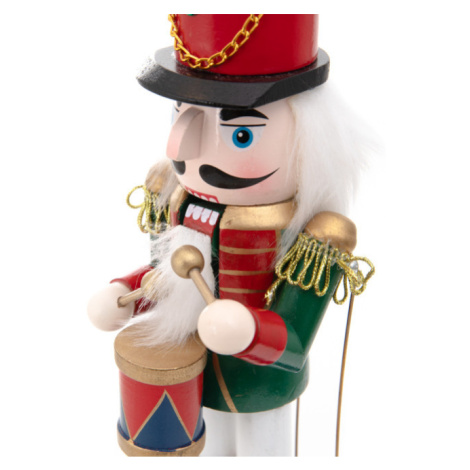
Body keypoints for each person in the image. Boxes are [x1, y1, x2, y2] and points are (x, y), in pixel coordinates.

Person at [88, 14, 373, 457]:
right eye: (180, 113)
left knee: (264, 450)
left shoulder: (316, 237)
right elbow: (171, 282)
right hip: (194, 374)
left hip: (260, 384)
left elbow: (296, 340)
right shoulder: (176, 200)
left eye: (240, 133)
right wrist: (126, 292)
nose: (179, 149)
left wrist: (247, 330)